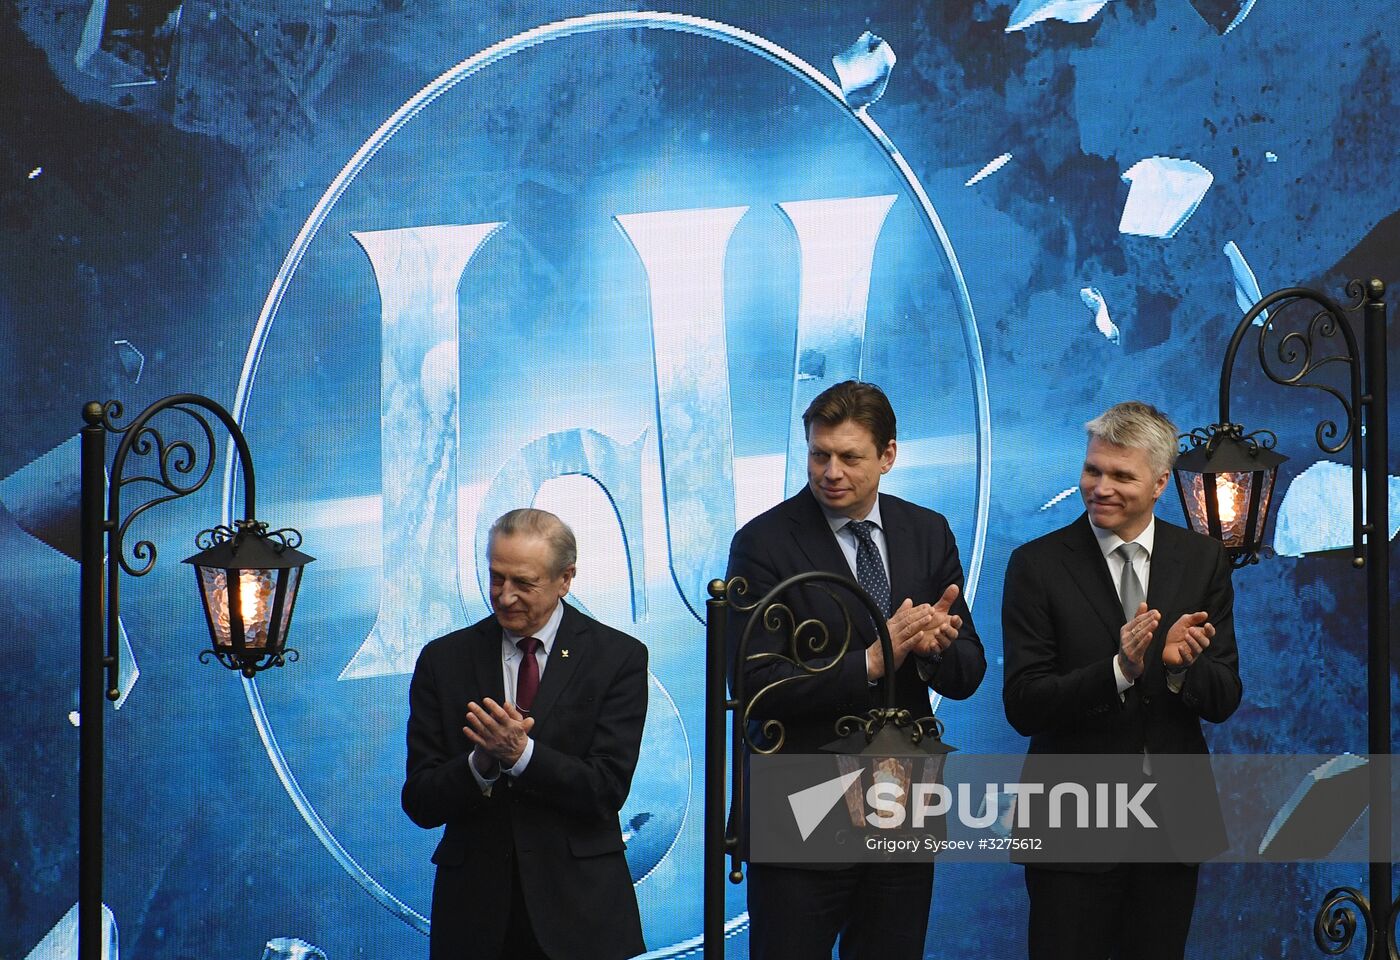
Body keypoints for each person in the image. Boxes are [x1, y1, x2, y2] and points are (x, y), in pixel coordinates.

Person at [726, 379, 985, 960]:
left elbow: (969, 673)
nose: (830, 472)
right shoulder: (762, 543)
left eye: (849, 457)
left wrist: (935, 647)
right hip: (800, 806)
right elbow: (752, 687)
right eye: (820, 455)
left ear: (889, 456)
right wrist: (870, 662)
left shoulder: (927, 531)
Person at [1002, 401, 1242, 960]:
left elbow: (1226, 695)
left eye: (1120, 475)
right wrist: (1119, 671)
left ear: (1160, 483)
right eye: (1092, 470)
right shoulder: (1036, 565)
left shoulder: (1203, 560)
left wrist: (1182, 671)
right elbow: (1023, 704)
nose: (1099, 487)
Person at [402, 508, 648, 960]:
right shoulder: (444, 660)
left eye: (524, 583)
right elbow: (420, 800)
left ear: (565, 578)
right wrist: (480, 765)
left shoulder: (618, 658)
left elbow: (606, 789)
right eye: (496, 577)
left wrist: (521, 755)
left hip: (582, 916)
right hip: (476, 919)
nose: (504, 596)